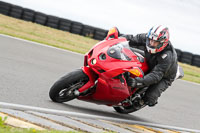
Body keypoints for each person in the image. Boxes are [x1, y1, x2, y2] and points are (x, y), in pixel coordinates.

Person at [123, 25, 182, 107]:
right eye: (151, 40)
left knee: (150, 98)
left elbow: (156, 75)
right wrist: (118, 38)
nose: (151, 43)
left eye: (155, 42)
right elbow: (131, 38)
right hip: (150, 60)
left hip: (164, 75)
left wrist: (138, 82)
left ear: (162, 43)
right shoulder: (147, 37)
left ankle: (142, 102)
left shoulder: (167, 56)